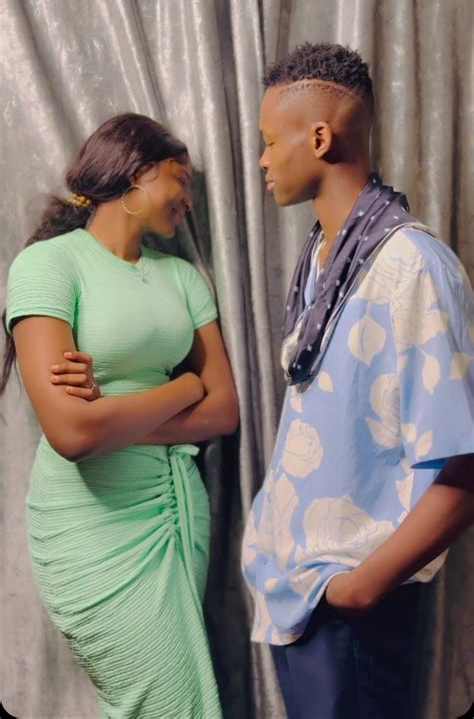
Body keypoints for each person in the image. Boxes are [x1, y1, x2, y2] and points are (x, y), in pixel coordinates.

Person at [241, 43, 474, 719]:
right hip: (300, 594)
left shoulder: (412, 265)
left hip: (352, 604)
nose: (262, 160)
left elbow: (462, 464)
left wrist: (361, 588)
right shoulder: (323, 258)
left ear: (319, 138)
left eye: (269, 141)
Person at [2, 112, 239, 719]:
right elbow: (72, 434)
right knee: (158, 703)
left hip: (175, 512)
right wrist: (185, 385)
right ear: (138, 172)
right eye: (180, 180)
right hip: (89, 522)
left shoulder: (182, 278)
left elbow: (224, 410)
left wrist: (113, 415)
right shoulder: (48, 266)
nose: (188, 200)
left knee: (170, 701)